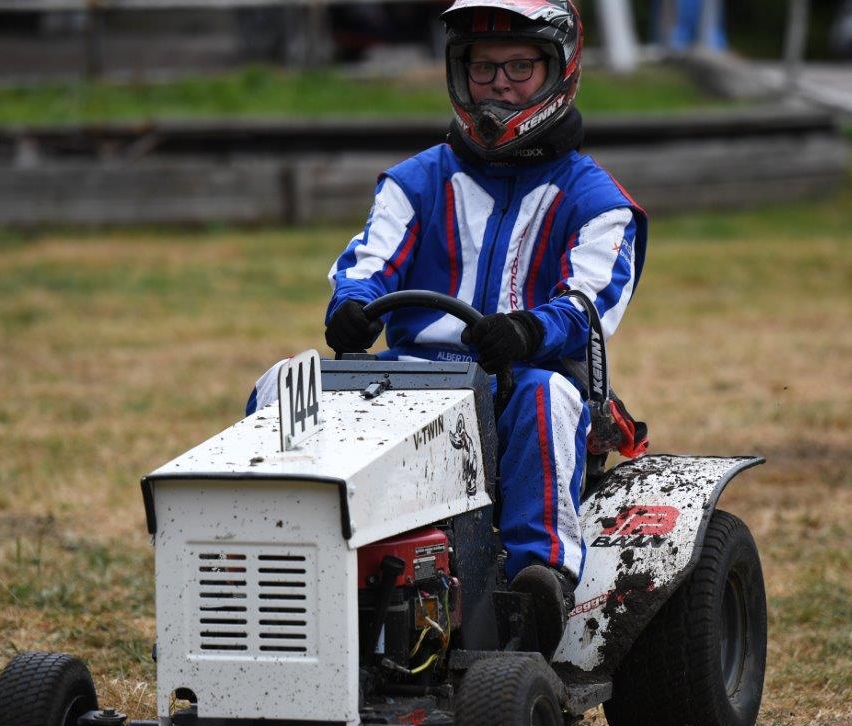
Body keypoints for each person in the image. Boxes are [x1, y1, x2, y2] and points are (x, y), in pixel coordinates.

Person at [256, 0, 647, 654]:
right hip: (410, 377)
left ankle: (539, 580)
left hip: (520, 377)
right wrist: (351, 307)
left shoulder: (598, 201)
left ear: (559, 72)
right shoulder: (414, 181)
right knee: (283, 383)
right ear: (459, 73)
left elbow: (589, 304)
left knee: (546, 394)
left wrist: (526, 332)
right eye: (483, 67)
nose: (498, 85)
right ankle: (277, 558)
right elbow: (367, 265)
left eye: (519, 67)